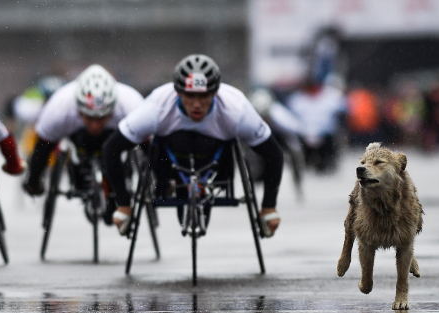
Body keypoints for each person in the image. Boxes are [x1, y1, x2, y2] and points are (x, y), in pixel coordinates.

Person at [102, 54, 283, 237]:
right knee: (161, 144)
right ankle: (170, 184)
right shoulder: (157, 106)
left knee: (226, 142)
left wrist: (269, 207)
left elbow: (274, 154)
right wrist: (124, 205)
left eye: (204, 96)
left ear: (215, 92)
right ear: (178, 92)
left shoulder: (236, 108)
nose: (197, 105)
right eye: (190, 95)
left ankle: (204, 186)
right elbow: (111, 149)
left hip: (216, 159)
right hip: (170, 160)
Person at [21, 64, 144, 223]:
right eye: (89, 117)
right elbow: (43, 148)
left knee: (118, 145)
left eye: (101, 117)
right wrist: (34, 181)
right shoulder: (59, 107)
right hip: (78, 135)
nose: (95, 125)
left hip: (115, 136)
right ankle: (80, 175)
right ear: (79, 110)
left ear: (112, 109)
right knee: (81, 140)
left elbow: (149, 144)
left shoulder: (131, 104)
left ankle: (118, 180)